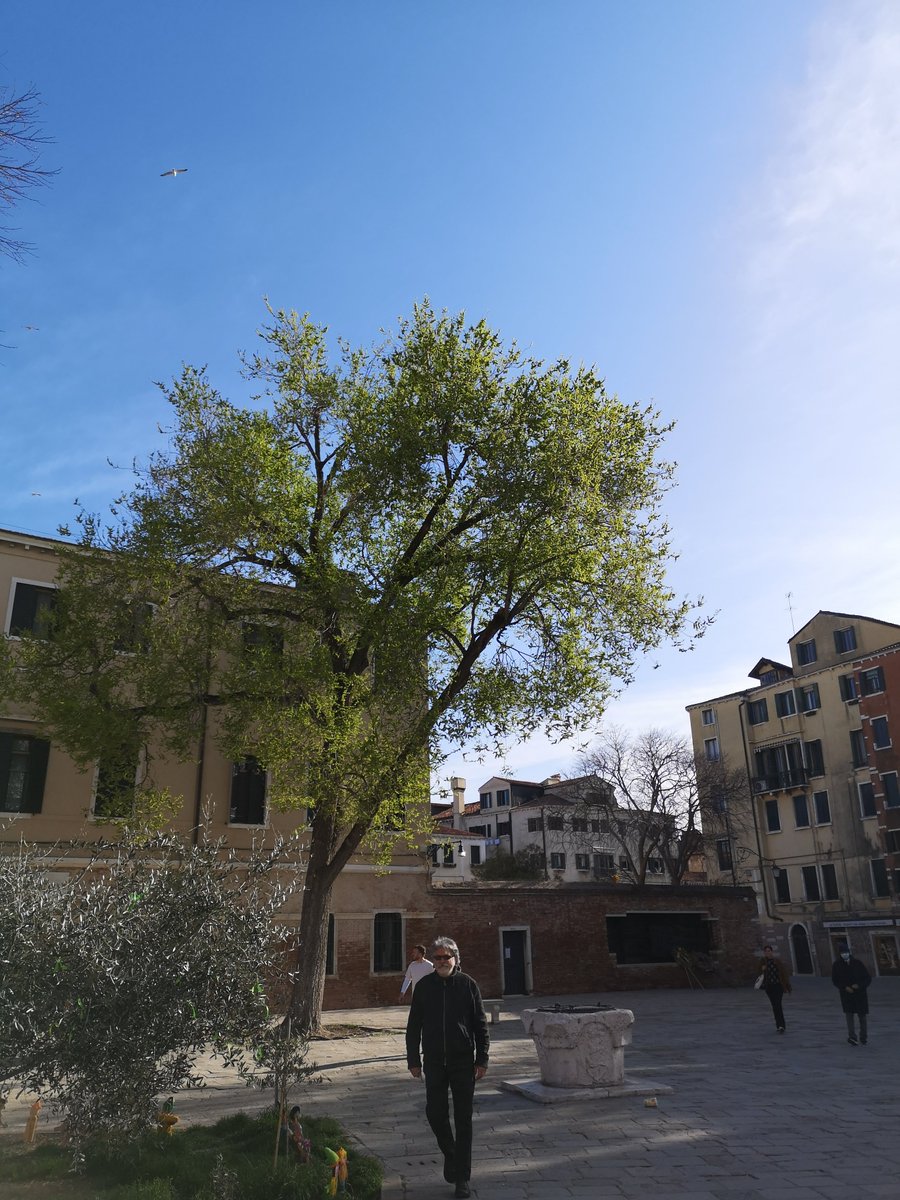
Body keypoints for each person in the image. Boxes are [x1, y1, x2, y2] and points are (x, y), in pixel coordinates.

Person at [406, 936, 489, 1200]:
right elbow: (414, 1025)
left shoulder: (468, 985)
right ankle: (452, 1154)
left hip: (463, 1061)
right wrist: (413, 1060)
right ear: (434, 960)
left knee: (463, 1120)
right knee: (435, 1112)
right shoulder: (425, 987)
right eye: (438, 957)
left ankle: (462, 1178)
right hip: (433, 1061)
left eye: (447, 957)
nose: (443, 961)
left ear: (456, 959)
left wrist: (482, 1058)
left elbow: (480, 1025)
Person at [831, 943, 872, 1045]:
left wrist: (859, 985)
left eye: (846, 952)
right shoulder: (837, 965)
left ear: (849, 953)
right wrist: (844, 987)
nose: (844, 954)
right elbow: (835, 980)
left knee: (862, 1016)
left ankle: (863, 1036)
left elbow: (867, 978)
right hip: (846, 995)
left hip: (860, 994)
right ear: (840, 954)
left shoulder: (857, 963)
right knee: (849, 1016)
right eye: (842, 953)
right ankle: (852, 1037)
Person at [757, 944, 791, 1033]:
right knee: (774, 1006)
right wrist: (762, 969)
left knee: (778, 1005)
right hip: (769, 987)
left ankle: (781, 1026)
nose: (768, 953)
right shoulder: (762, 962)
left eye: (769, 951)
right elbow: (758, 972)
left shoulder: (777, 961)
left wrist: (787, 985)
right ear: (764, 953)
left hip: (778, 986)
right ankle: (778, 1025)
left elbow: (783, 973)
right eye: (766, 951)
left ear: (772, 952)